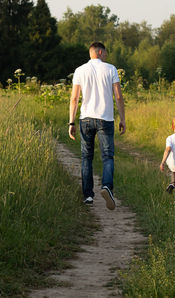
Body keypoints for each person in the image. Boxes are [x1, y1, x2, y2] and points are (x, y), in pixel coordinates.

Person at [69, 42, 126, 210]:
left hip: (85, 119)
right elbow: (118, 97)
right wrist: (122, 118)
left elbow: (74, 98)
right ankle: (107, 186)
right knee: (107, 156)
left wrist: (71, 121)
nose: (106, 56)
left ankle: (88, 196)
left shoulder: (80, 70)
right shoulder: (111, 69)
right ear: (100, 52)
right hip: (105, 119)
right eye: (106, 53)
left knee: (86, 157)